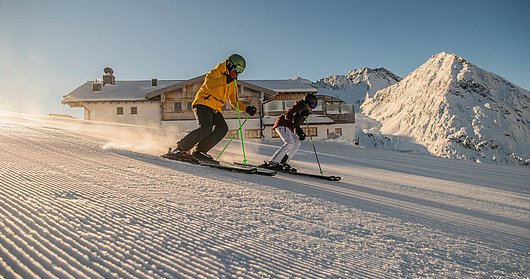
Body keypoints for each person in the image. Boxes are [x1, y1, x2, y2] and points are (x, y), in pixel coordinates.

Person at [170, 54, 257, 163]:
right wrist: (227, 79)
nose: (238, 72)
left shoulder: (232, 83)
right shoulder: (215, 73)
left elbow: (234, 102)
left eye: (241, 71)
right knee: (206, 127)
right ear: (230, 65)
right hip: (203, 103)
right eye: (238, 69)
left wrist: (247, 108)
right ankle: (180, 149)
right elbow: (210, 84)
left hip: (215, 108)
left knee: (222, 128)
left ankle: (199, 151)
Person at [261, 94, 318, 172]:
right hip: (282, 124)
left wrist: (299, 131)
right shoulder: (297, 107)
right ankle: (273, 162)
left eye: (314, 107)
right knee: (289, 143)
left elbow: (296, 124)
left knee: (297, 142)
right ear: (306, 103)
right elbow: (288, 116)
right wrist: (299, 114)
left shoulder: (305, 112)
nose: (312, 108)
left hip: (288, 127)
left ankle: (283, 161)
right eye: (312, 105)